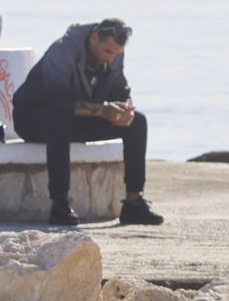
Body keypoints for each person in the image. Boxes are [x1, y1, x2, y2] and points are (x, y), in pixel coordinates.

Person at [13, 18, 163, 228]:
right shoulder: (63, 50)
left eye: (117, 54)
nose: (112, 59)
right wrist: (103, 110)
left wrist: (125, 108)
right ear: (94, 38)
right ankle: (60, 203)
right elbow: (56, 101)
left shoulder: (114, 55)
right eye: (108, 52)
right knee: (60, 122)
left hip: (78, 118)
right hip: (33, 118)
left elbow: (120, 90)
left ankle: (133, 203)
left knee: (137, 122)